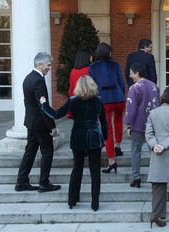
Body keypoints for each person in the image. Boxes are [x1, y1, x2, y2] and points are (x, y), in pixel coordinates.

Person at [40, 75, 107, 211]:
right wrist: (104, 138)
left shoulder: (73, 101)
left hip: (78, 136)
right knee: (95, 171)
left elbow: (56, 114)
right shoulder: (99, 100)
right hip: (94, 137)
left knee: (77, 168)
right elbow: (104, 122)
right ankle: (95, 203)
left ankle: (72, 200)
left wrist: (44, 104)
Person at [15, 52, 61, 193]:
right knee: (47, 151)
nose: (49, 68)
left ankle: (21, 181)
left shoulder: (28, 78)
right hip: (40, 124)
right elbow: (43, 107)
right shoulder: (38, 81)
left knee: (30, 151)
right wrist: (52, 126)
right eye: (48, 65)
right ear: (40, 64)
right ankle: (44, 183)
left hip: (31, 122)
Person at [146, 87, 169, 228]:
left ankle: (157, 214)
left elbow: (148, 133)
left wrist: (155, 145)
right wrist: (164, 145)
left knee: (158, 184)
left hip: (157, 151)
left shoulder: (153, 113)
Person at [89, 43, 125, 172]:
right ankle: (118, 146)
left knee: (107, 129)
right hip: (119, 97)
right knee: (119, 121)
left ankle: (111, 160)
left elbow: (91, 87)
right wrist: (122, 94)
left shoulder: (92, 68)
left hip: (104, 99)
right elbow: (121, 82)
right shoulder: (115, 65)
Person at [125, 63, 160, 188]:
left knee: (136, 150)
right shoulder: (154, 86)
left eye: (131, 72)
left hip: (138, 123)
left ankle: (136, 178)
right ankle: (155, 175)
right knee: (154, 150)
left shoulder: (134, 88)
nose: (130, 75)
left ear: (137, 73)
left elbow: (131, 108)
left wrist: (129, 125)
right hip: (154, 122)